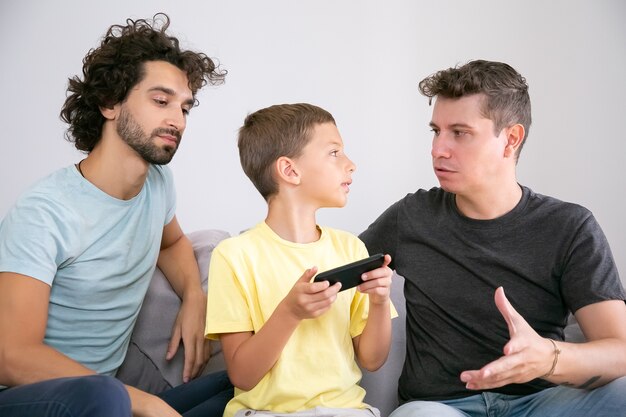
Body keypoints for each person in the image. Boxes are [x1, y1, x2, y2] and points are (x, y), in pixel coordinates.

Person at [359, 59, 626, 417]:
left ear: (510, 139)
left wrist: (548, 359)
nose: (439, 149)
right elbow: (322, 265)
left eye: (459, 132)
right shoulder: (411, 217)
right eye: (435, 131)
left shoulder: (569, 226)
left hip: (544, 403)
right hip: (440, 407)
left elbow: (619, 348)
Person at [0, 13, 233, 417]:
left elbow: (172, 242)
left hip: (108, 401)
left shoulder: (159, 184)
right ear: (110, 103)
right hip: (33, 397)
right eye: (161, 101)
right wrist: (140, 402)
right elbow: (12, 355)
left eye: (185, 108)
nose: (176, 120)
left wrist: (195, 296)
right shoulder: (45, 212)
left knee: (245, 381)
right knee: (106, 397)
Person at [205, 103, 396, 417]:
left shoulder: (351, 248)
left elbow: (373, 360)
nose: (351, 165)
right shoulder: (234, 256)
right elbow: (242, 375)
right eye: (334, 152)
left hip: (346, 412)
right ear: (290, 170)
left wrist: (379, 301)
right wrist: (290, 312)